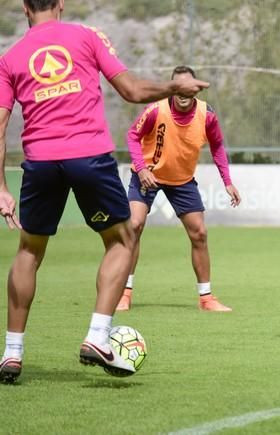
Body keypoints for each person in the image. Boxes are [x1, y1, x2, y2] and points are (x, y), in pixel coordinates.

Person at [0, 0, 209, 383]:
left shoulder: (10, 57)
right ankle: (98, 335)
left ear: (25, 7)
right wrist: (173, 86)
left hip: (41, 161)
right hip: (88, 156)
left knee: (29, 250)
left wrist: (0, 187)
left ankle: (11, 353)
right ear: (60, 4)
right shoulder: (86, 36)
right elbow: (130, 90)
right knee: (122, 239)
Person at [116, 65, 241, 313]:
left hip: (182, 180)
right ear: (173, 88)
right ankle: (123, 294)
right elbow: (132, 135)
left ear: (195, 88)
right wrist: (141, 169)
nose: (184, 92)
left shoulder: (208, 115)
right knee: (134, 226)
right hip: (147, 176)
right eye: (178, 87)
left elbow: (217, 146)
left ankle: (206, 299)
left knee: (200, 233)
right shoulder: (155, 109)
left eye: (188, 87)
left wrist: (227, 181)